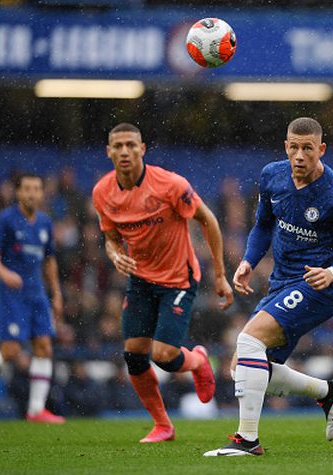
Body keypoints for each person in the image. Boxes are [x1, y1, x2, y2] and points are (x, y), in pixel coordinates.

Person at [204, 117, 333, 457]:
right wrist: (249, 260)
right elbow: (263, 226)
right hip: (281, 283)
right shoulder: (272, 176)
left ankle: (247, 440)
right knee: (244, 366)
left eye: (307, 148)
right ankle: (326, 392)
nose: (299, 155)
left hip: (317, 286)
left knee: (249, 339)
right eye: (293, 147)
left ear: (321, 149)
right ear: (285, 146)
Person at [91, 123, 234, 443]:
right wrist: (114, 255)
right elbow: (111, 239)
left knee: (165, 356)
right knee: (134, 355)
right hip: (140, 280)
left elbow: (208, 219)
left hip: (178, 279)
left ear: (143, 149)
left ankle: (197, 361)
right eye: (118, 146)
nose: (125, 151)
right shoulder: (103, 192)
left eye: (131, 145)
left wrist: (221, 274)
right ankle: (163, 426)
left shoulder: (170, 185)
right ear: (109, 152)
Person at [0, 174, 65, 424]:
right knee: (10, 350)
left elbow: (49, 260)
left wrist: (57, 293)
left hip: (37, 293)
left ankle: (35, 410)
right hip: (13, 293)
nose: (32, 193)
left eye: (37, 189)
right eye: (27, 189)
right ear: (18, 193)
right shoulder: (6, 219)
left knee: (44, 346)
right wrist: (4, 273)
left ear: (42, 193)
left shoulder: (44, 223)